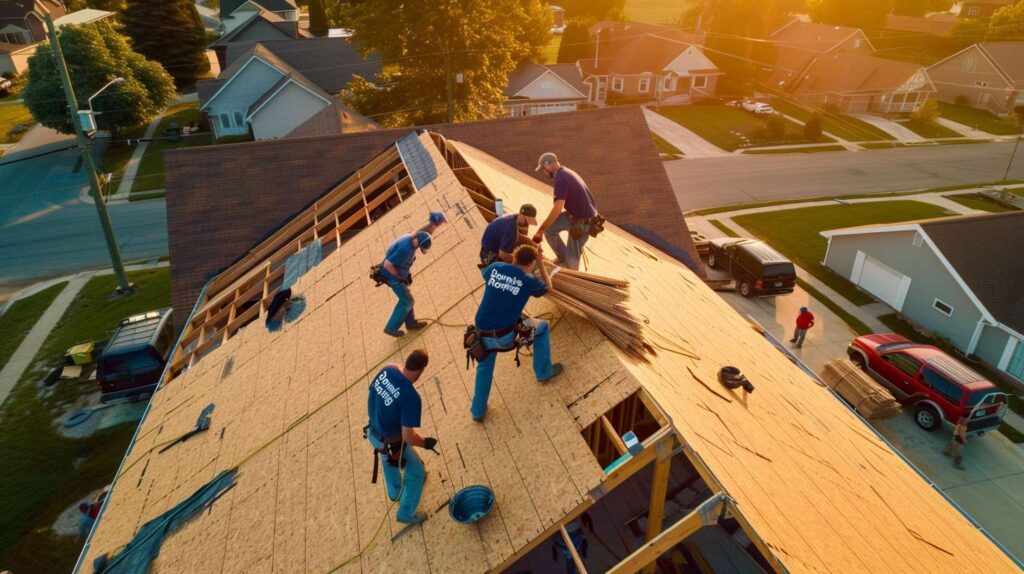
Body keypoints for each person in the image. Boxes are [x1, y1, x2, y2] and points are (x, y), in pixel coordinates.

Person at [471, 244, 563, 422]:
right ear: (530, 264)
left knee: (484, 368)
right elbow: (549, 288)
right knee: (541, 326)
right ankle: (543, 372)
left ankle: (477, 411)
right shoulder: (528, 280)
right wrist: (541, 263)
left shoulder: (495, 268)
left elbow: (484, 274)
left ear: (514, 257)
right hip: (506, 336)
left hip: (481, 337)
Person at [366, 349, 437, 525]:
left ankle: (395, 492)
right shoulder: (411, 397)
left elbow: (373, 393)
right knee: (416, 473)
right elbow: (408, 436)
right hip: (391, 442)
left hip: (373, 433)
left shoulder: (388, 368)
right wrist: (424, 443)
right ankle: (405, 514)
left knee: (387, 461)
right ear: (421, 370)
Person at [533, 152, 599, 270]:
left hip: (583, 222)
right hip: (574, 215)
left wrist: (540, 230)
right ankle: (563, 258)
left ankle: (569, 268)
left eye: (543, 169)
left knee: (571, 264)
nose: (544, 172)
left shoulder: (561, 179)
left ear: (548, 165)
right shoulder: (565, 172)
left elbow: (558, 208)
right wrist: (544, 229)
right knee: (550, 229)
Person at [380, 231, 432, 337]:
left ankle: (410, 323)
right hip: (393, 278)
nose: (419, 249)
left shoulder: (411, 240)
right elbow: (387, 264)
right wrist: (399, 278)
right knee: (407, 301)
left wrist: (406, 276)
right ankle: (391, 328)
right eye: (420, 247)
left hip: (400, 276)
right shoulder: (404, 248)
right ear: (419, 243)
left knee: (407, 298)